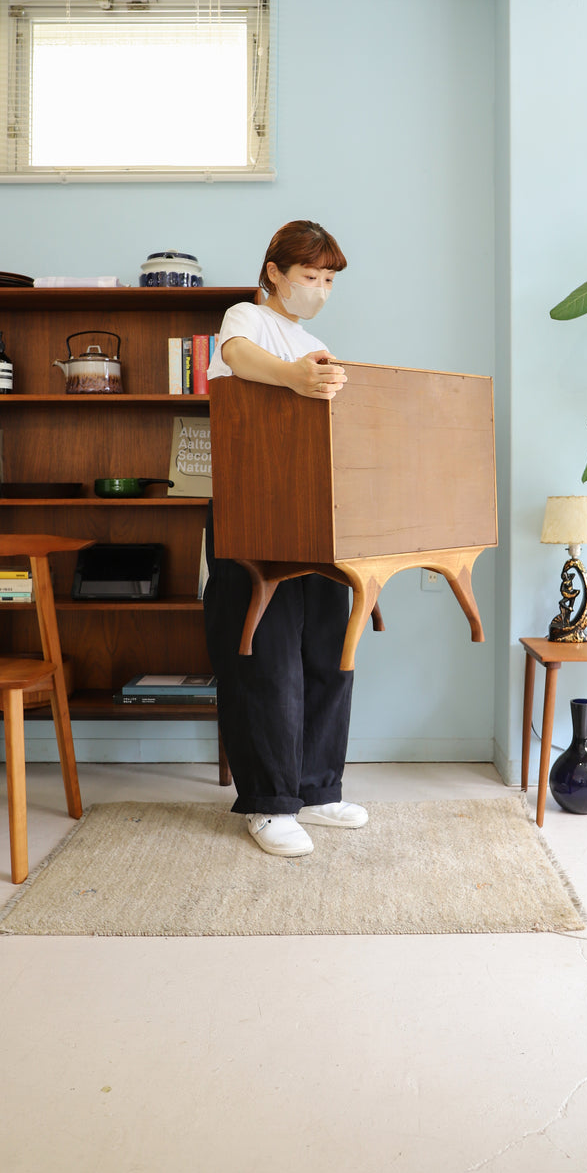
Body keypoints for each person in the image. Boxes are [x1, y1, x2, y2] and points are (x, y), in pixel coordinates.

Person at [203, 219, 369, 857]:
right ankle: (269, 803)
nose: (320, 290)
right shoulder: (243, 319)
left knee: (328, 648)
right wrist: (296, 378)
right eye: (309, 277)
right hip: (253, 512)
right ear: (275, 271)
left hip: (313, 516)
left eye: (329, 280)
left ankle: (318, 787)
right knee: (263, 655)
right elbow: (242, 362)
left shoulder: (316, 342)